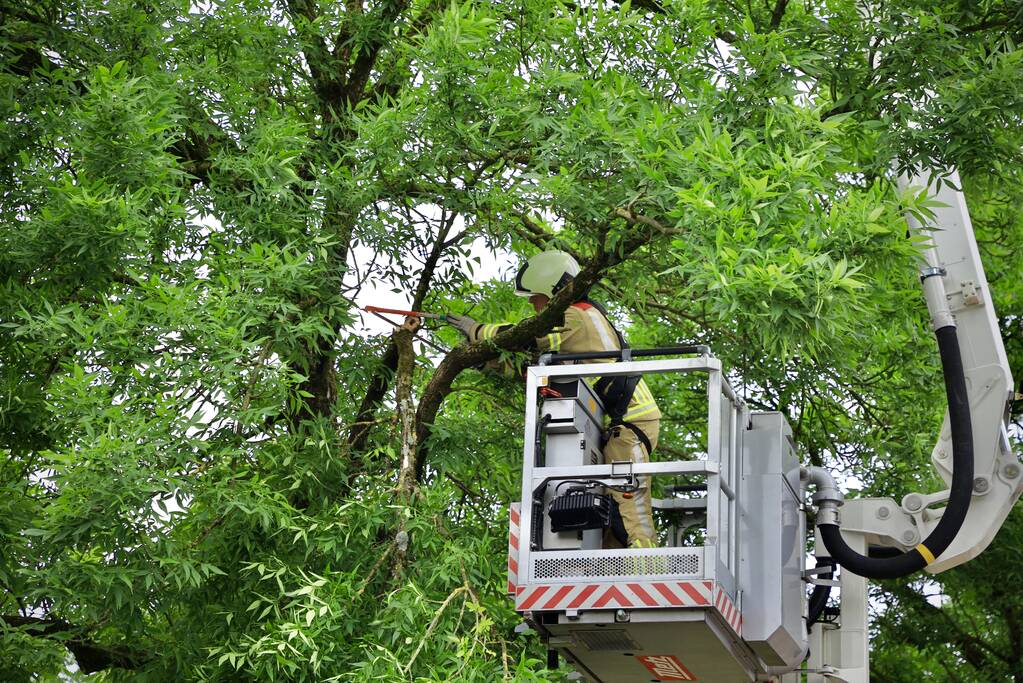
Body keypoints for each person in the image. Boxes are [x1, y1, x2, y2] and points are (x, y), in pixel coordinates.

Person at [444, 251, 661, 549]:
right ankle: (623, 571)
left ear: (554, 290)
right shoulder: (575, 327)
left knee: (631, 507)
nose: (532, 303)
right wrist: (485, 363)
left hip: (634, 421)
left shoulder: (577, 316)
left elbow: (527, 337)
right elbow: (534, 366)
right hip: (624, 421)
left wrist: (478, 331)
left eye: (535, 295)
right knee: (612, 516)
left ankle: (646, 570)